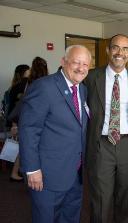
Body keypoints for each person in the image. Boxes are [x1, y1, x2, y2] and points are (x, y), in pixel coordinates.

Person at [19, 45, 91, 223]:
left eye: (85, 64)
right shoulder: (44, 87)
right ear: (63, 62)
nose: (81, 68)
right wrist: (32, 169)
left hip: (75, 172)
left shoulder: (82, 89)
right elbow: (29, 129)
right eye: (76, 62)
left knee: (70, 217)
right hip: (47, 175)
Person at [84, 34, 128, 223]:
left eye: (125, 49)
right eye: (116, 48)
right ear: (108, 51)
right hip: (101, 144)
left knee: (125, 197)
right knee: (100, 198)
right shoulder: (91, 77)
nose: (120, 52)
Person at [1, 64, 30, 181]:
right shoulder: (22, 86)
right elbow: (17, 107)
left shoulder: (13, 87)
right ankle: (15, 173)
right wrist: (14, 124)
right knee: (22, 147)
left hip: (12, 121)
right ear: (24, 73)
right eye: (29, 71)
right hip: (16, 121)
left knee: (21, 146)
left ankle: (17, 171)